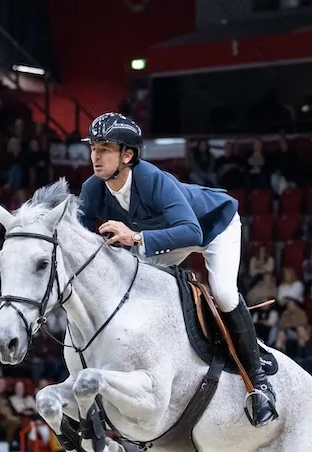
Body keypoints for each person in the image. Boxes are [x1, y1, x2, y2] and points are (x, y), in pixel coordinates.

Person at [75, 112, 277, 427]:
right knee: (136, 289)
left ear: (127, 155)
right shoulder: (92, 189)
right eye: (93, 148)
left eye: (104, 148)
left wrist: (136, 237)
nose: (95, 156)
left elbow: (192, 233)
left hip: (212, 228)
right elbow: (79, 239)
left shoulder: (154, 179)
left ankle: (259, 381)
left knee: (223, 292)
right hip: (166, 237)